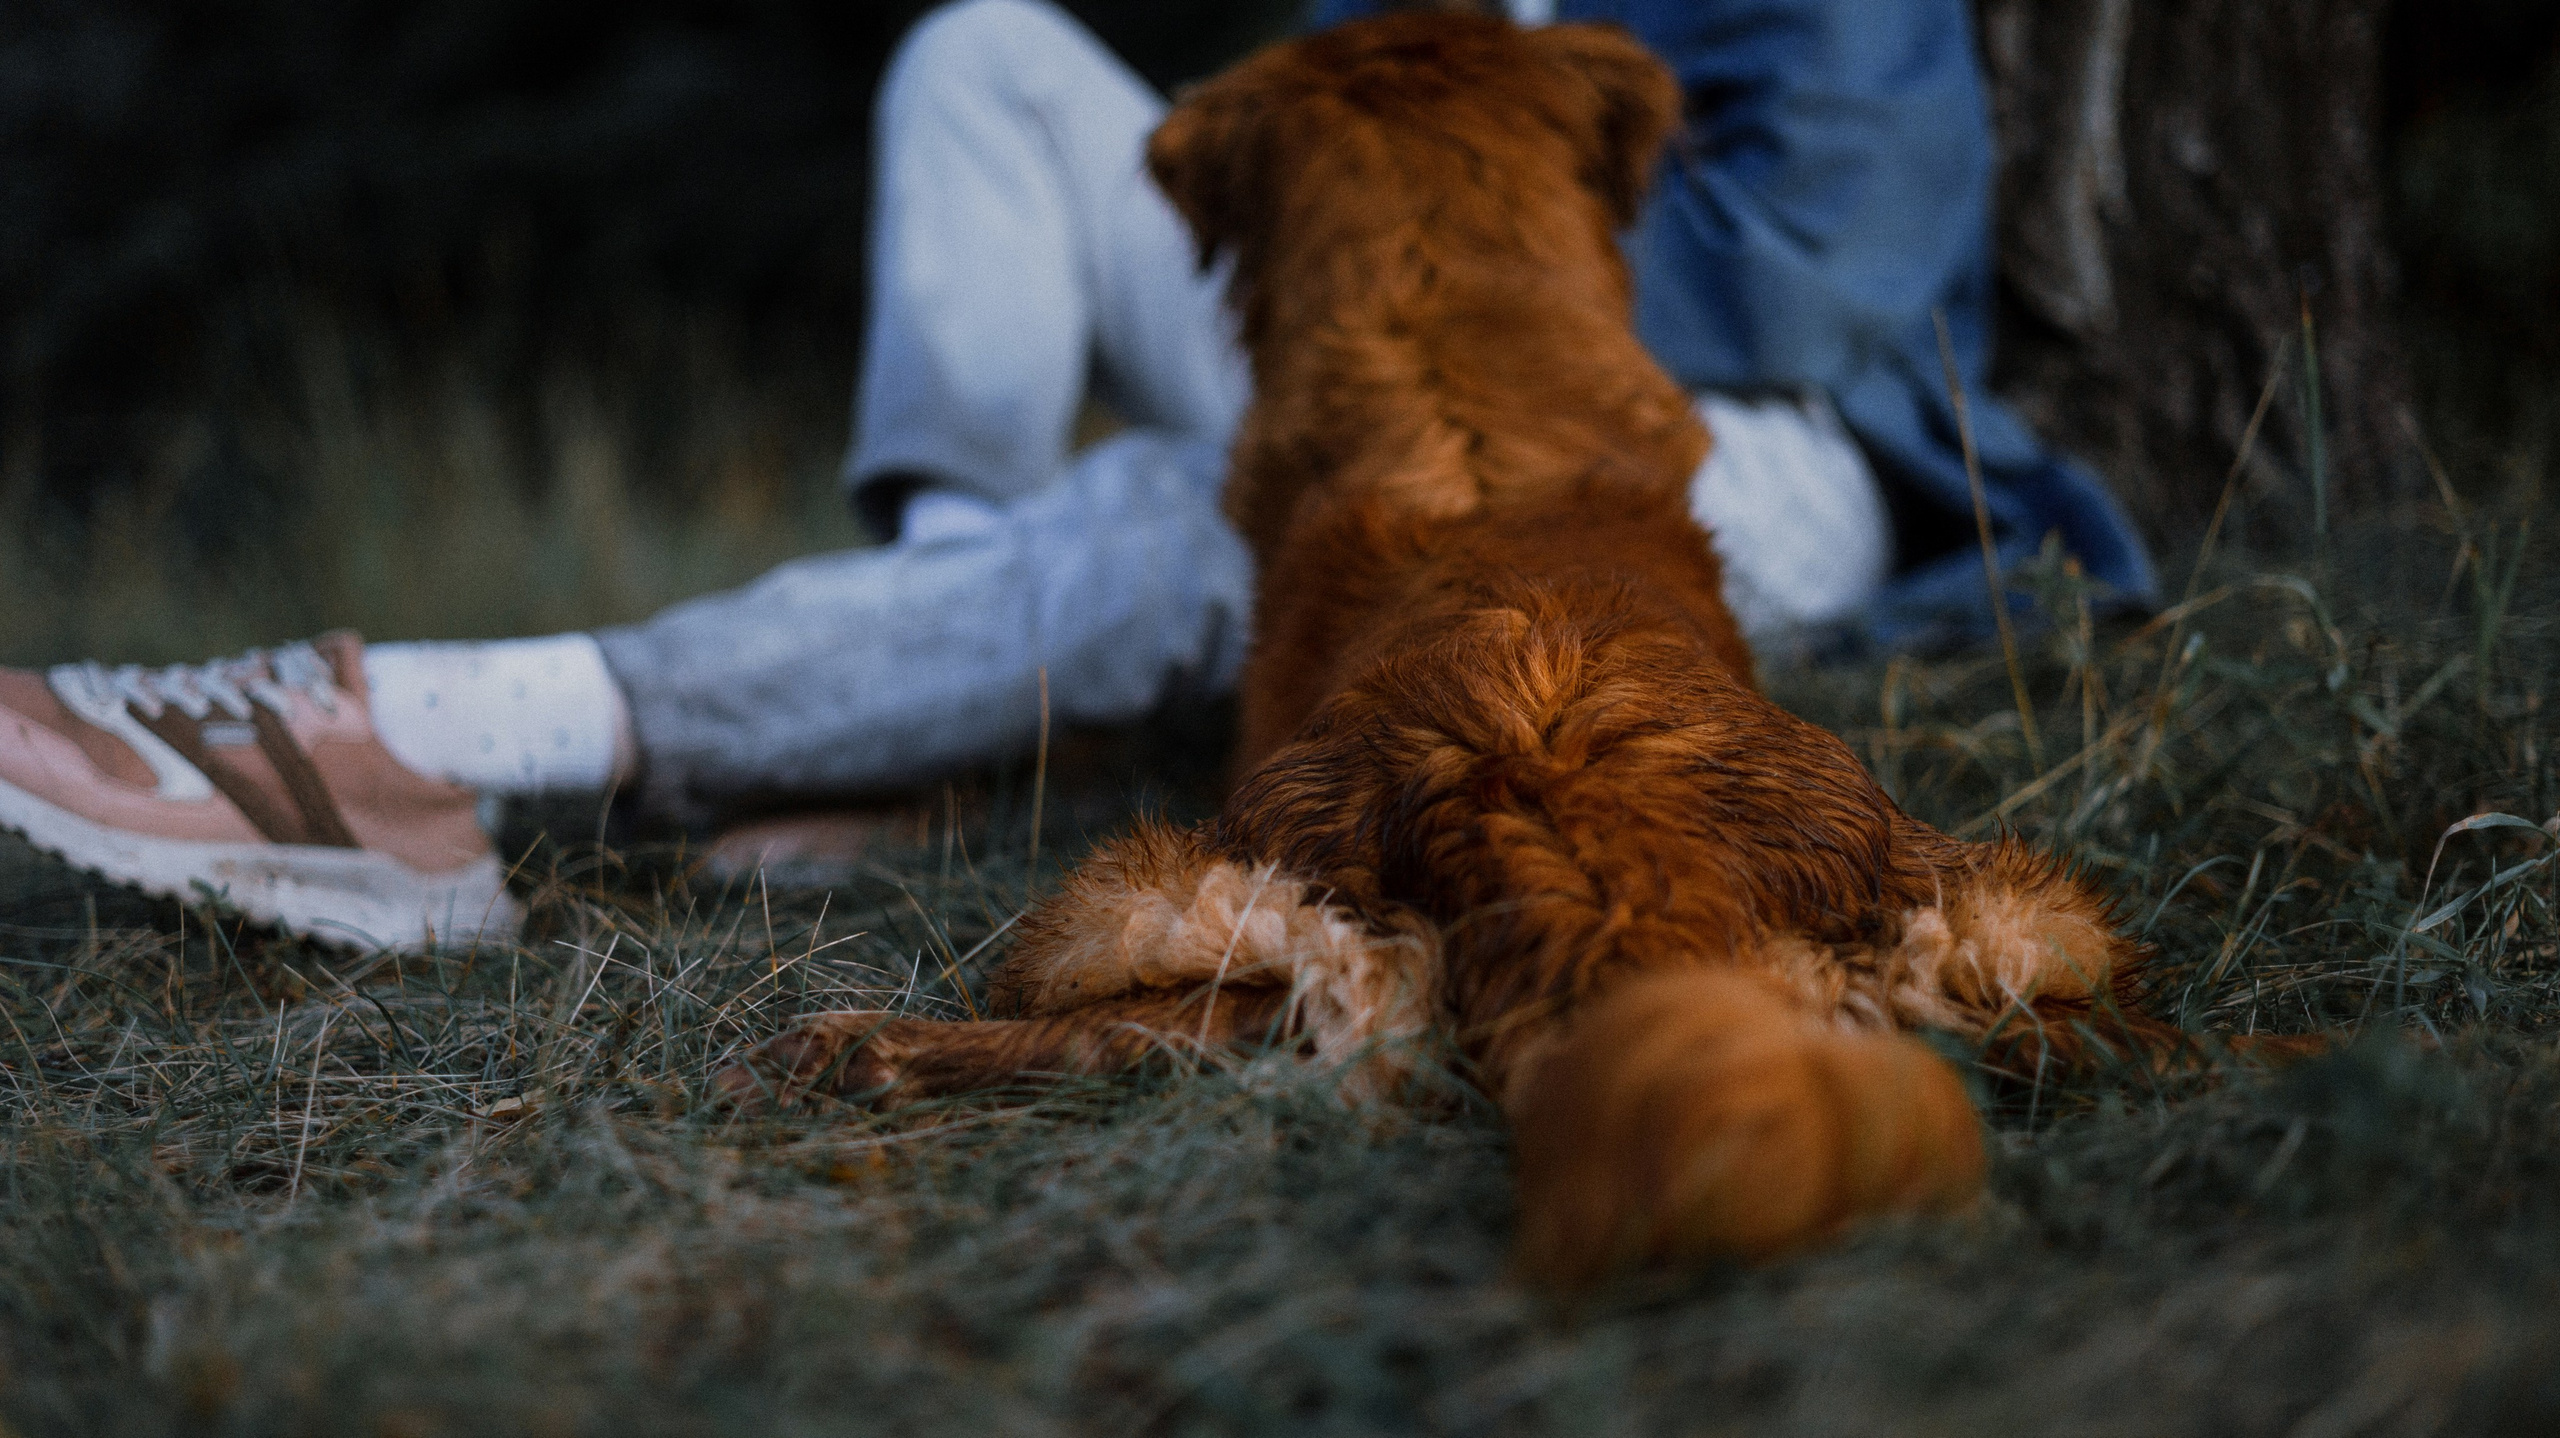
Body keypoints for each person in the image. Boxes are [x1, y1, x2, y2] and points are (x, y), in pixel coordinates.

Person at [0, 0, 2155, 949]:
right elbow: (1278, 201)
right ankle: (976, 704)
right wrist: (1346, 284)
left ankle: (428, 739)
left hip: (1749, 450)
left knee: (1221, 506)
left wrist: (1382, 274)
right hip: (1383, 345)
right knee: (988, 64)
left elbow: (1808, 273)